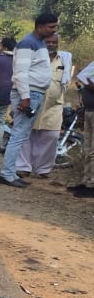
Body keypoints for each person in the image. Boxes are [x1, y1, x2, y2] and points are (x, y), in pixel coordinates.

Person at [0, 12, 60, 187]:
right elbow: (20, 73)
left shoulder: (38, 43)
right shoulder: (28, 44)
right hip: (28, 94)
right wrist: (25, 97)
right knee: (18, 135)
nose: (54, 30)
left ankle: (9, 172)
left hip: (34, 93)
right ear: (40, 26)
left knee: (21, 135)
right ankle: (7, 174)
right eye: (51, 27)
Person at [16, 34, 70, 178]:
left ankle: (43, 169)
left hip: (53, 107)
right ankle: (23, 167)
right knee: (26, 135)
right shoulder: (34, 57)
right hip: (32, 102)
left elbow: (66, 82)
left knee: (50, 136)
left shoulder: (64, 59)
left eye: (54, 42)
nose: (51, 44)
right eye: (48, 42)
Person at [69, 60, 94, 198]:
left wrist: (91, 86)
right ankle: (86, 181)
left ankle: (92, 185)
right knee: (88, 149)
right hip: (89, 110)